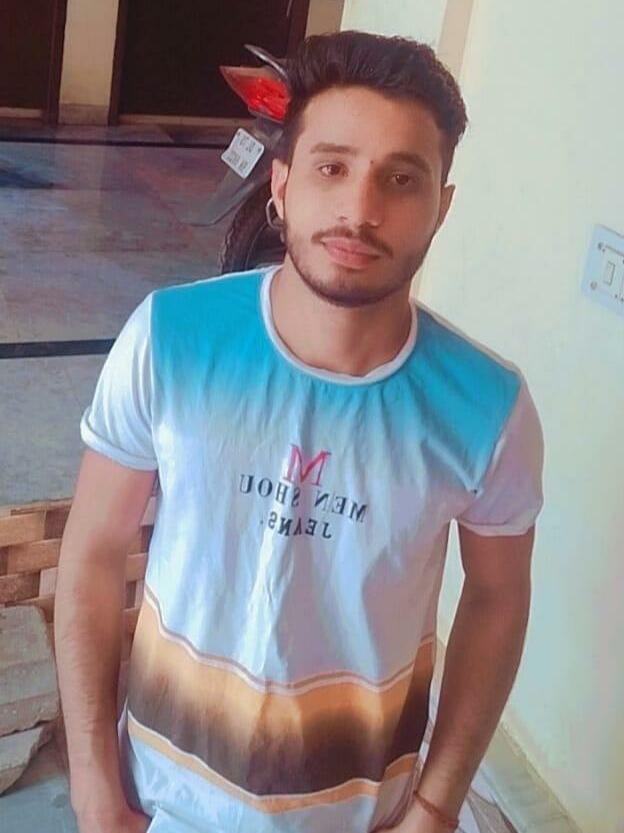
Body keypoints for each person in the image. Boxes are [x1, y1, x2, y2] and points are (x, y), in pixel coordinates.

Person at [55, 30, 544, 833]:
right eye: (332, 167)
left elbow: (498, 597)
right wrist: (92, 783)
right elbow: (94, 552)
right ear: (281, 184)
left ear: (442, 207)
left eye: (401, 178)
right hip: (159, 800)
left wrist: (436, 805)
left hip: (362, 813)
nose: (360, 209)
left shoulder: (486, 406)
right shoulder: (172, 340)